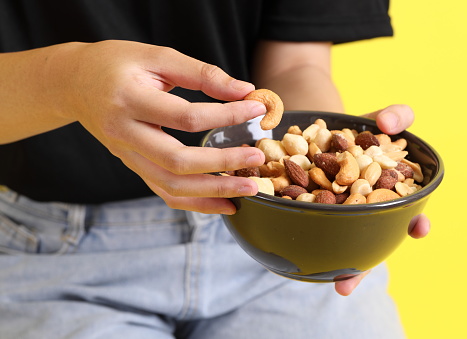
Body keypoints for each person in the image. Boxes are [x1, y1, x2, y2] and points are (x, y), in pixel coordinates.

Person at [0, 1, 430, 338]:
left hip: (273, 237)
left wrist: (338, 192)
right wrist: (69, 81)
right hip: (55, 257)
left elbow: (295, 64)